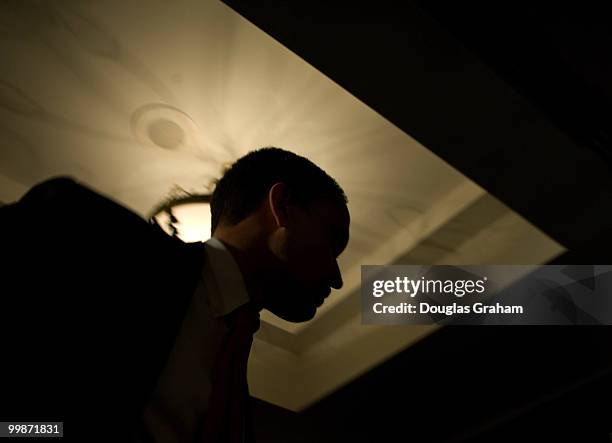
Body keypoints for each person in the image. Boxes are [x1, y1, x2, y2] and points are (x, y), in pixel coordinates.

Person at [0, 147, 350, 442]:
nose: (337, 279)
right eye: (332, 242)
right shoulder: (86, 232)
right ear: (282, 205)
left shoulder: (235, 385)